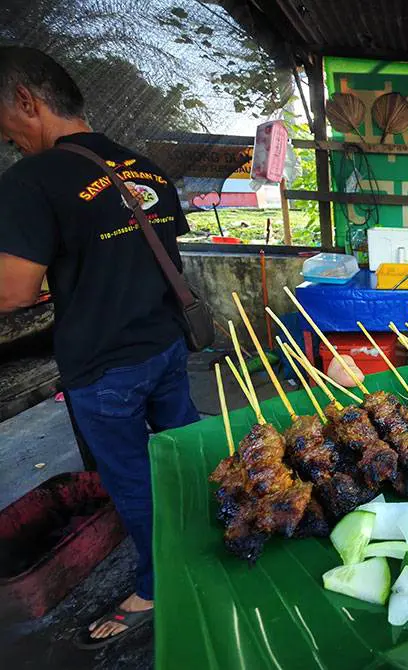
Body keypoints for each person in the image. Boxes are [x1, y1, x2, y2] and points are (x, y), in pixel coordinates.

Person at [0, 47, 200, 648]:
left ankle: (161, 585)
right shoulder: (147, 168)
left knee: (136, 479)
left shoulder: (31, 181)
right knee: (184, 455)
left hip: (104, 365)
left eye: (4, 124)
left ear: (26, 102)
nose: (9, 140)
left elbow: (12, 294)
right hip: (166, 344)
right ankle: (207, 542)